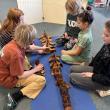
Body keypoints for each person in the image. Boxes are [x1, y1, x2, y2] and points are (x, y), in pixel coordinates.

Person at [0, 24, 46, 110]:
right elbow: (20, 76)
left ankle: (29, 70)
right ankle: (15, 97)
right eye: (32, 40)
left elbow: (29, 47)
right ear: (26, 41)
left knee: (23, 56)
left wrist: (42, 49)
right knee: (41, 80)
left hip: (3, 71)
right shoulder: (16, 55)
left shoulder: (15, 42)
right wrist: (36, 69)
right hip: (7, 79)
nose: (33, 41)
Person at [70, 20, 110, 97]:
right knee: (72, 69)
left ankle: (106, 90)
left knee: (72, 78)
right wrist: (89, 66)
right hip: (98, 70)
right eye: (103, 34)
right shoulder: (107, 43)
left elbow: (108, 80)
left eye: (106, 35)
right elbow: (98, 56)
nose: (102, 36)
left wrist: (92, 75)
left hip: (104, 81)